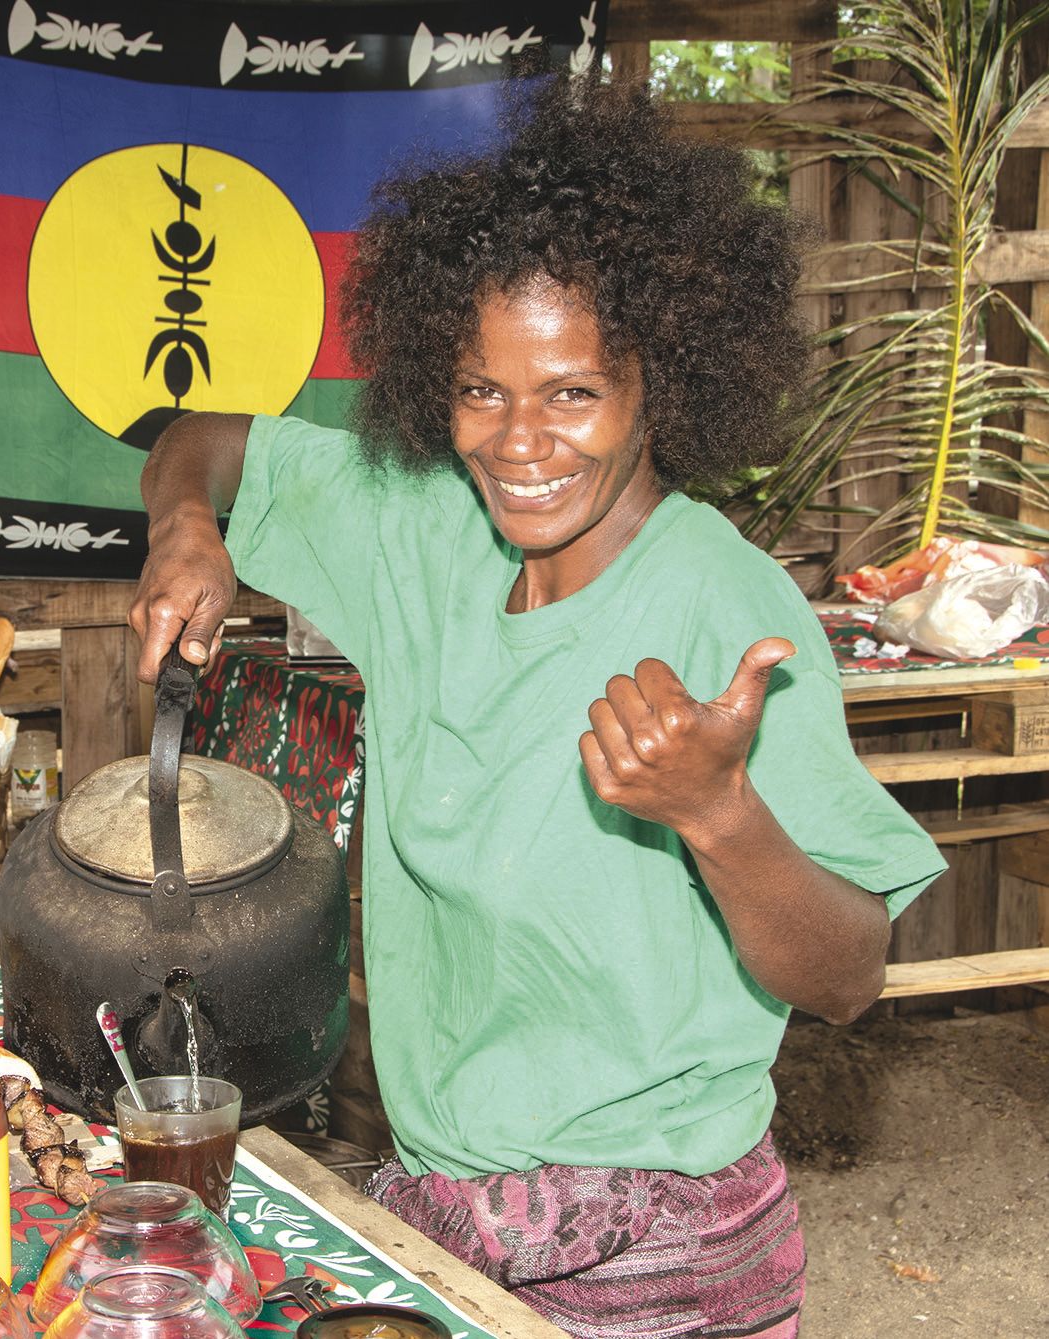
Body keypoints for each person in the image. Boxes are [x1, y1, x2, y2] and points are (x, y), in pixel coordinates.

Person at [130, 80, 944, 1339]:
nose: (518, 441)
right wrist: (188, 521)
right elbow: (212, 434)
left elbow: (848, 973)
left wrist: (721, 816)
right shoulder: (427, 529)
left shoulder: (721, 607)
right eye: (478, 391)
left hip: (661, 1257)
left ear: (657, 385)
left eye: (573, 393)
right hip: (441, 1212)